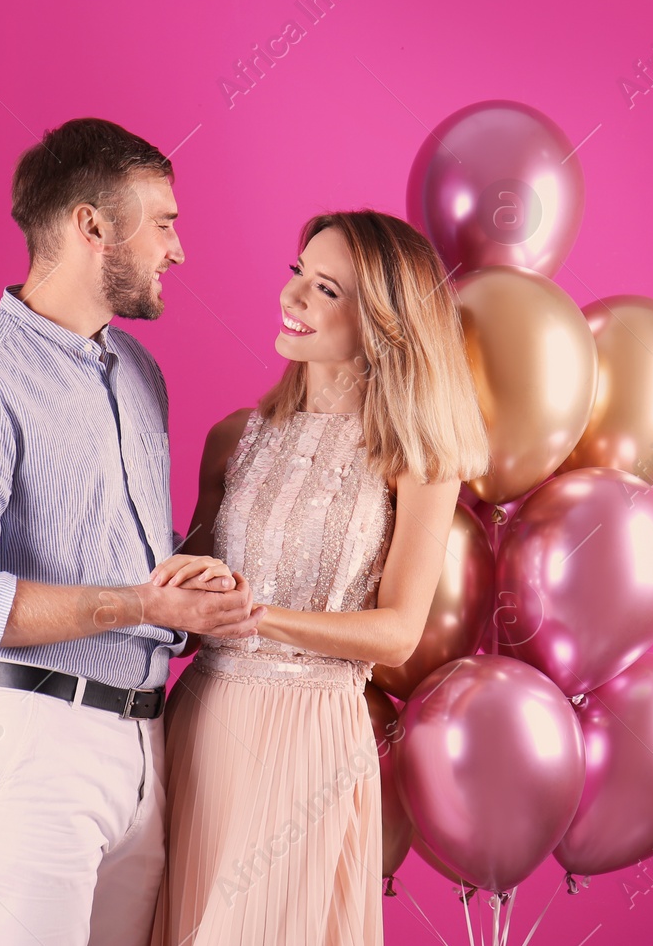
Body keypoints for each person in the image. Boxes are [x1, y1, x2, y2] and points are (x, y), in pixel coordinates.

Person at [0, 117, 260, 946]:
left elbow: (134, 560)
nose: (179, 249)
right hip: (26, 745)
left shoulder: (136, 372)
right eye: (163, 221)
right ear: (93, 226)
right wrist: (139, 602)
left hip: (142, 743)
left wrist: (193, 587)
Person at [149, 210, 491, 944]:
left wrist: (256, 615)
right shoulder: (233, 438)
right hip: (203, 725)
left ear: (384, 324)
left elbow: (398, 633)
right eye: (296, 272)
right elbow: (185, 616)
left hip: (311, 741)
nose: (293, 297)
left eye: (325, 288)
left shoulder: (417, 458)